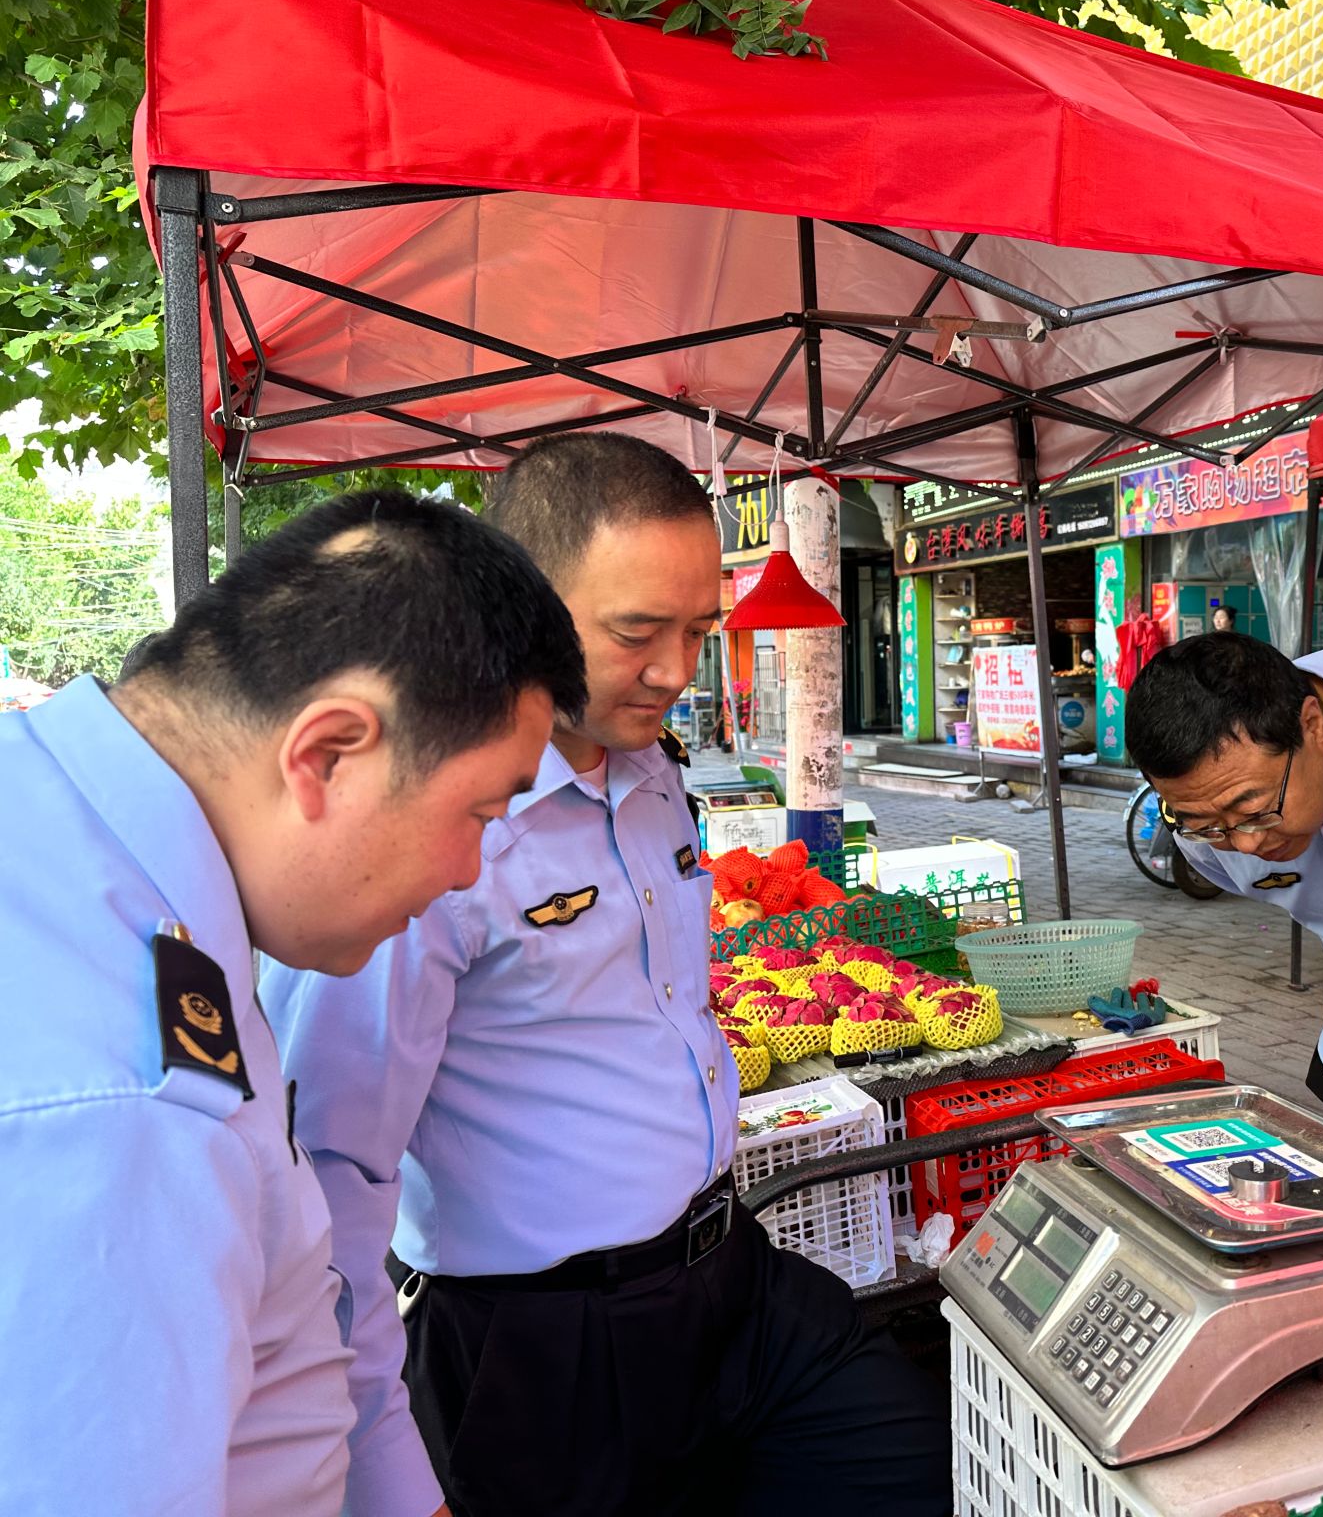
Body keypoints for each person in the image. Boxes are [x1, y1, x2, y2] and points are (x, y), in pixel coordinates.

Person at [264, 433, 951, 1517]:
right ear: (524, 604)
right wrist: (383, 1475)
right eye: (637, 632)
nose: (677, 671)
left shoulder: (654, 775)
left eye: (700, 631)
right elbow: (323, 1181)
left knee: (916, 1467)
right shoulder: (425, 831)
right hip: (550, 1345)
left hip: (731, 1277)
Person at [0, 491, 586, 1516]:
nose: (469, 870)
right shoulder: (127, 1096)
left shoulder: (86, 850)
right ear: (326, 755)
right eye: (479, 812)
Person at [1125, 630, 1323, 1136]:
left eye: (1255, 810)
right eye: (1209, 824)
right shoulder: (1199, 836)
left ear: (1313, 726)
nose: (1245, 844)